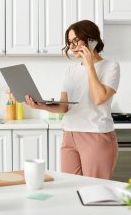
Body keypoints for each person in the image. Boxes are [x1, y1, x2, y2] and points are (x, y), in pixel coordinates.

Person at [25, 20, 120, 179]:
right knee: (70, 188)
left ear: (91, 40)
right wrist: (41, 106)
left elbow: (99, 98)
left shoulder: (111, 67)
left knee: (94, 191)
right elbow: (64, 107)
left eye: (76, 40)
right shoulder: (70, 70)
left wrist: (90, 66)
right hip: (69, 134)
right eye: (69, 42)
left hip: (95, 135)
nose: (72, 46)